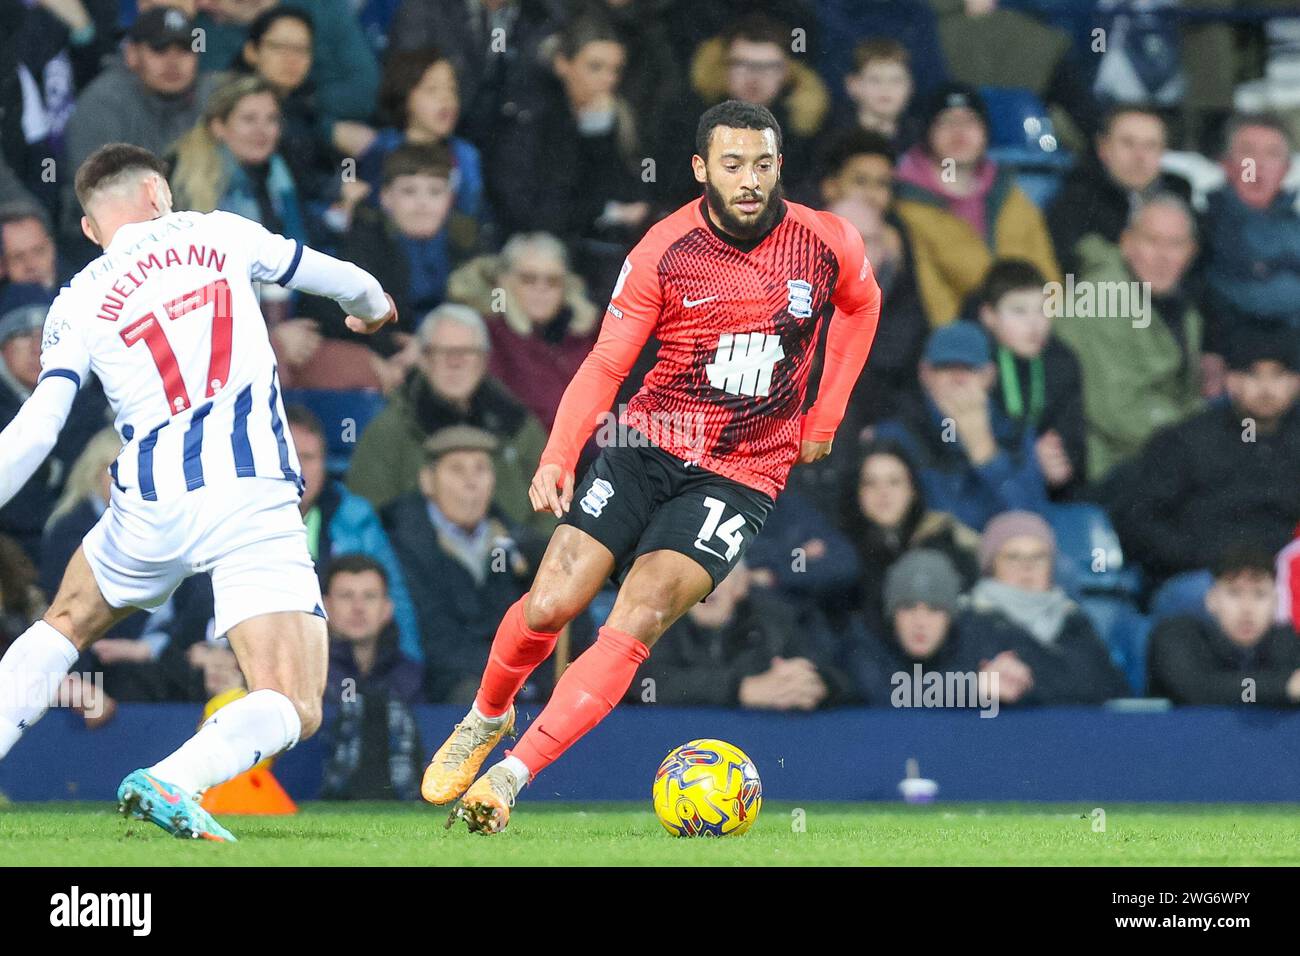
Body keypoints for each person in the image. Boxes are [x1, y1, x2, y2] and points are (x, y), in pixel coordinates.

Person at [421, 100, 881, 834]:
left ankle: (510, 778)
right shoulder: (664, 250)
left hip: (741, 472)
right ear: (701, 169)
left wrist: (823, 417)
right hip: (647, 444)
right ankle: (486, 718)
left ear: (780, 166)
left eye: (763, 163)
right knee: (549, 605)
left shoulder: (826, 242)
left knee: (638, 614)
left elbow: (863, 304)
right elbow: (608, 361)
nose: (750, 179)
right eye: (732, 164)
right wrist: (559, 454)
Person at [0, 143, 398, 842]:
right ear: (159, 192)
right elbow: (347, 282)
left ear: (92, 230)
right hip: (246, 491)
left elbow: (38, 429)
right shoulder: (220, 232)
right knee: (295, 700)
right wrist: (373, 307)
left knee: (65, 622)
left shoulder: (79, 297)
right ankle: (175, 777)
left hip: (148, 499)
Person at [1106, 329, 1300, 582]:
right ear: (1231, 380)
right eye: (1252, 374)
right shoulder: (1188, 440)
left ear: (1296, 382)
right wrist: (1195, 558)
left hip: (1286, 578)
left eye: (1278, 375)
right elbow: (1139, 518)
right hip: (1200, 576)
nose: (1266, 388)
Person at [346, 303, 551, 536]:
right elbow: (367, 517)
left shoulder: (518, 426)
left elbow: (549, 509)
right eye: (444, 352)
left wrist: (529, 553)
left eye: (467, 352)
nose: (456, 362)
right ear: (423, 360)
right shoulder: (388, 430)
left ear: (484, 361)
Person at [1054, 193, 1204, 482]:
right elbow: (1118, 414)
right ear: (1126, 243)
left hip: (1164, 453)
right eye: (1151, 241)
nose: (1163, 256)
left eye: (1175, 244)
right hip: (1112, 468)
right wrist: (1198, 437)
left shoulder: (1179, 305)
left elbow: (1185, 395)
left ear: (1191, 252)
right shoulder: (1099, 299)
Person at [383, 427, 532, 703]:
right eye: (457, 470)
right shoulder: (402, 544)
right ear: (428, 481)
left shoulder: (519, 545)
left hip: (513, 685)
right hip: (439, 693)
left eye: (481, 469)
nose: (471, 482)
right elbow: (433, 636)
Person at [893, 82, 1061, 327]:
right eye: (947, 121)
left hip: (1029, 334)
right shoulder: (908, 206)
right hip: (963, 349)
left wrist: (1044, 330)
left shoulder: (1010, 194)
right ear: (926, 132)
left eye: (970, 121)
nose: (959, 132)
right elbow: (934, 301)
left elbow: (1049, 276)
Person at [872, 322, 1049, 531]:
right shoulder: (897, 435)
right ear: (925, 373)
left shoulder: (1015, 434)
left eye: (969, 368)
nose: (957, 379)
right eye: (945, 367)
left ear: (989, 375)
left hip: (998, 555)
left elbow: (1032, 524)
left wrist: (985, 452)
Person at [286, 406, 422, 662]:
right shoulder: (240, 520)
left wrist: (409, 671)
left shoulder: (356, 518)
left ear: (324, 464)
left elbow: (395, 600)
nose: (299, 469)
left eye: (309, 457)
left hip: (342, 666)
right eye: (290, 456)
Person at [627, 559, 851, 709]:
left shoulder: (777, 618)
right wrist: (740, 689)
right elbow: (644, 684)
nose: (708, 587)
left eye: (720, 575)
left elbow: (840, 676)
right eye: (697, 576)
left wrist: (816, 684)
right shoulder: (657, 621)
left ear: (742, 585)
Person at [966, 510, 1129, 704]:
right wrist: (975, 686)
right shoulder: (966, 619)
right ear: (991, 565)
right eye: (1013, 557)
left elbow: (1113, 689)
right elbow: (932, 687)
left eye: (1039, 557)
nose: (1027, 567)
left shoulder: (1073, 621)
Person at [0, 284, 111, 561]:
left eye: (47, 335)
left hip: (95, 549)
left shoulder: (99, 404)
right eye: (23, 334)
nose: (37, 347)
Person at [447, 232, 600, 430]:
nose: (541, 288)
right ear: (504, 281)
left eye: (552, 280)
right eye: (528, 279)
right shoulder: (489, 334)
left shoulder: (585, 333)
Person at [837, 438, 980, 635]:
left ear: (912, 489)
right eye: (870, 483)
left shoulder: (942, 539)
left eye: (894, 482)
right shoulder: (839, 551)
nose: (883, 493)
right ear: (856, 491)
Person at [975, 259, 1087, 499]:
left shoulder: (1062, 361)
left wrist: (1058, 462)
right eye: (1019, 311)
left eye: (1043, 310)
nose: (1035, 324)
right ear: (988, 316)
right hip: (984, 490)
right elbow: (956, 440)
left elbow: (1074, 442)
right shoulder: (973, 363)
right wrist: (1027, 457)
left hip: (1051, 495)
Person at [319, 555, 424, 801]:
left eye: (369, 596)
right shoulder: (309, 673)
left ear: (387, 608)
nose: (358, 607)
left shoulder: (411, 674)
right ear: (325, 607)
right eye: (346, 596)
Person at [1147, 545, 1300, 706]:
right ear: (1211, 599)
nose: (1247, 608)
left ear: (1275, 602)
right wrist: (1283, 686)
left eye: (1259, 594)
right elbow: (1198, 690)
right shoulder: (1177, 634)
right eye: (1234, 593)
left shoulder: (1288, 642)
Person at [1046, 106, 1191, 274]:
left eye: (1151, 145)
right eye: (1128, 143)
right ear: (1103, 147)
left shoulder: (1181, 197)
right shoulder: (1074, 204)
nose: (1140, 156)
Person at [168, 76, 309, 246]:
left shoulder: (281, 173)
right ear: (218, 126)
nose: (262, 130)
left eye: (271, 119)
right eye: (249, 119)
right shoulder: (179, 178)